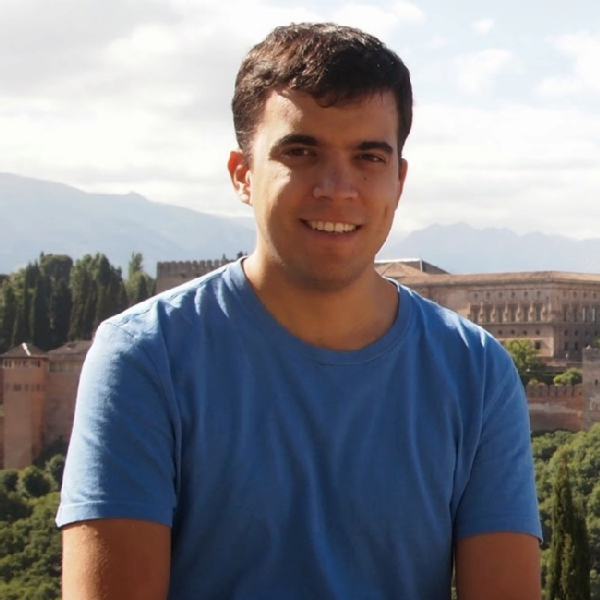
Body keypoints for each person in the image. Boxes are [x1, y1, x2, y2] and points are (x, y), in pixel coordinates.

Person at [58, 22, 542, 600]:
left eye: (368, 157)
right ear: (242, 174)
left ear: (399, 180)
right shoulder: (145, 358)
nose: (337, 187)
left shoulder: (477, 373)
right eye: (301, 152)